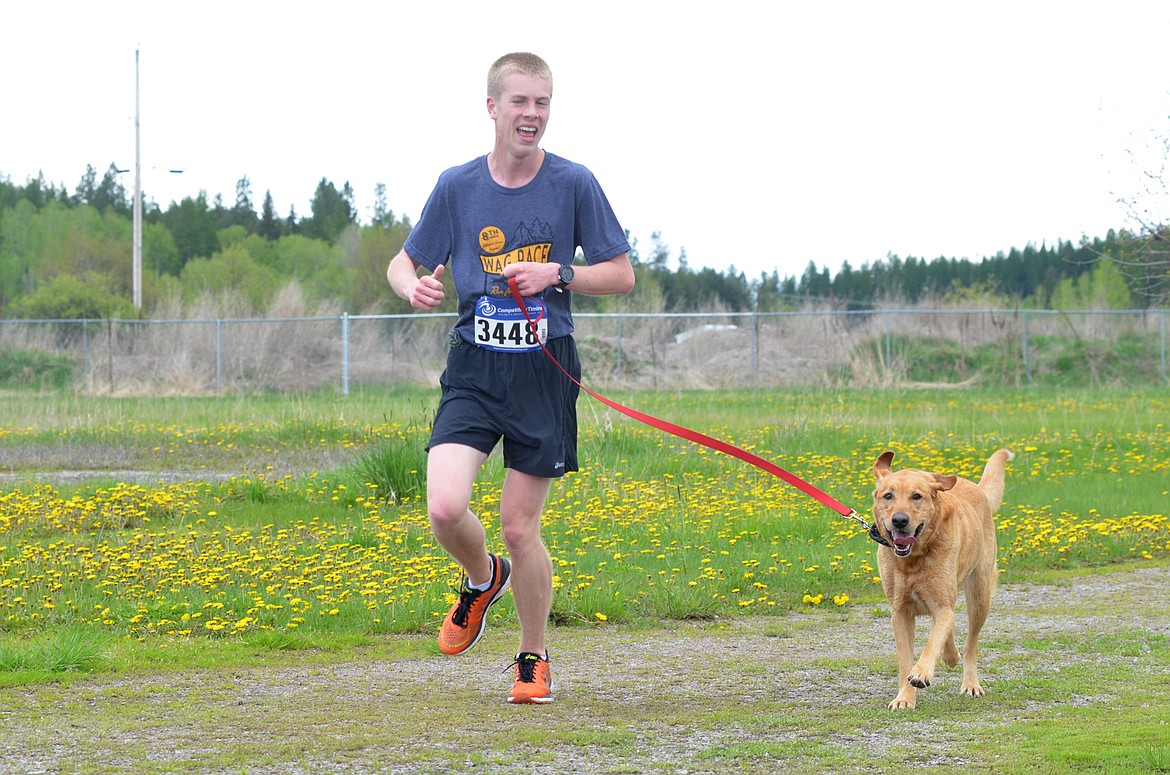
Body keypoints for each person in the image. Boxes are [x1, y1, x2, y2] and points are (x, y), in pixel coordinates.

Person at [386, 52, 635, 704]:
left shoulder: (573, 183)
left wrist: (560, 274)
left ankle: (533, 654)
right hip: (474, 366)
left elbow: (621, 273)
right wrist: (415, 286)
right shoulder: (458, 186)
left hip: (543, 372)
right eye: (520, 102)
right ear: (492, 107)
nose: (532, 115)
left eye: (542, 103)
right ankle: (481, 576)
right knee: (444, 506)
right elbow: (402, 262)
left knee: (522, 527)